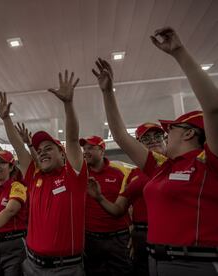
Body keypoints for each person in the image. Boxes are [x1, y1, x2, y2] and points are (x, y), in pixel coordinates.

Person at [92, 27, 218, 276]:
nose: (164, 134)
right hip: (155, 259)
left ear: (190, 133)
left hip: (196, 263)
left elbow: (213, 109)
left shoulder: (209, 162)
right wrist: (107, 92)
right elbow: (121, 137)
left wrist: (179, 52)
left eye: (170, 129)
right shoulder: (161, 167)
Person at [0, 70, 87, 275]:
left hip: (65, 269)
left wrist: (68, 105)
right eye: (39, 150)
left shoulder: (73, 177)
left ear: (62, 154)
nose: (42, 153)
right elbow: (18, 148)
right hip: (31, 265)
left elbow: (71, 139)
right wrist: (6, 118)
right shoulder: (34, 177)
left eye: (48, 148)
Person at [87, 123, 166, 276]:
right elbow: (118, 209)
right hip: (142, 237)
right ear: (138, 144)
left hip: (174, 237)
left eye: (157, 136)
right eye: (146, 139)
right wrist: (99, 197)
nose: (153, 141)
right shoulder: (132, 174)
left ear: (166, 139)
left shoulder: (180, 164)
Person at [80, 135, 133, 276]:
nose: (85, 151)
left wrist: (132, 231)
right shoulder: (80, 176)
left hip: (119, 239)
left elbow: (131, 205)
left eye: (90, 148)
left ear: (102, 150)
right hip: (91, 240)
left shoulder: (120, 172)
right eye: (84, 148)